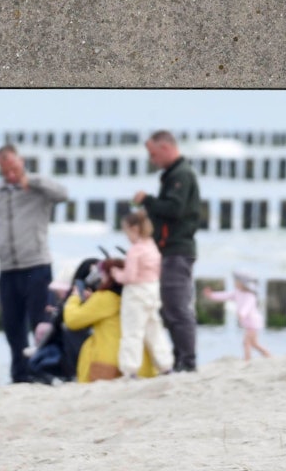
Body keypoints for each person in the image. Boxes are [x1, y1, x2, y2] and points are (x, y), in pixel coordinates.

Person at [0, 143, 68, 383]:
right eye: (4, 170)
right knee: (12, 326)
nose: (10, 174)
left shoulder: (38, 188)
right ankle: (19, 374)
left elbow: (63, 194)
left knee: (40, 323)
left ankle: (42, 371)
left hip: (37, 266)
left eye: (13, 167)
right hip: (7, 270)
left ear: (21, 161)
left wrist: (33, 182)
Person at [134, 130, 202, 372]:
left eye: (153, 154)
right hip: (170, 250)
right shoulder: (173, 174)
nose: (153, 160)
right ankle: (181, 358)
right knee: (169, 307)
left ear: (165, 148)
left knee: (176, 307)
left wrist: (148, 201)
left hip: (177, 250)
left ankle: (188, 362)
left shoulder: (181, 174)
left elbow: (174, 209)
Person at [62, 258, 158, 382]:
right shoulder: (137, 297)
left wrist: (74, 298)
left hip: (108, 366)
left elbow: (72, 320)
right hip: (143, 365)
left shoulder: (106, 298)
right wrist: (93, 301)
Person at [110, 210, 173, 377]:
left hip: (136, 293)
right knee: (155, 329)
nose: (126, 237)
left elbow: (129, 276)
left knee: (132, 332)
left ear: (134, 229)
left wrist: (116, 273)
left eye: (126, 232)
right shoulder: (151, 245)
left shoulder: (135, 250)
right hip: (152, 290)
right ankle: (165, 365)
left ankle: (130, 369)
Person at [203, 272, 271, 361]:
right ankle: (267, 355)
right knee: (254, 343)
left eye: (237, 281)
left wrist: (242, 314)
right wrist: (211, 295)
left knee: (246, 342)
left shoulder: (250, 296)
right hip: (248, 323)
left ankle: (247, 360)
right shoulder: (237, 293)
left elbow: (247, 306)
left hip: (253, 322)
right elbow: (224, 295)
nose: (235, 283)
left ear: (242, 284)